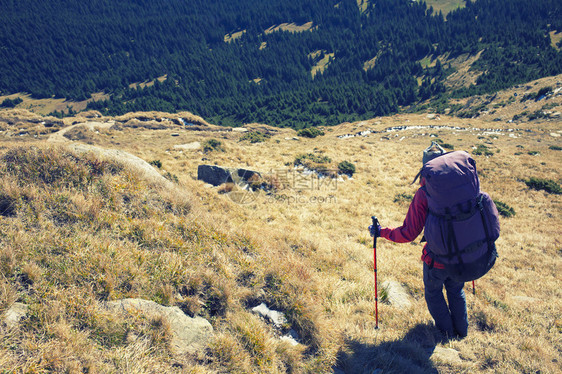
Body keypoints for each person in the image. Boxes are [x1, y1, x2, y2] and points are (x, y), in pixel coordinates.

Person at [369, 142, 468, 340]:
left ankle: (447, 335)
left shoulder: (425, 193)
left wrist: (381, 232)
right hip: (464, 255)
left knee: (433, 294)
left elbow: (408, 233)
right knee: (456, 290)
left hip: (437, 258)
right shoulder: (462, 186)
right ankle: (462, 334)